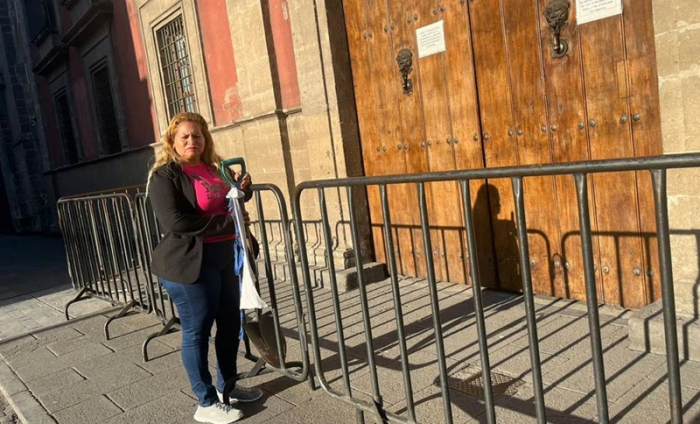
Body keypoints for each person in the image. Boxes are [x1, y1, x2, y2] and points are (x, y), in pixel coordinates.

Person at [147, 112, 262, 424]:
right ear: (172, 142)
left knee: (230, 324)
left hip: (225, 258)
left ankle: (227, 387)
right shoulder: (165, 176)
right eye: (184, 136)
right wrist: (229, 223)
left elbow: (229, 202)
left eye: (197, 135)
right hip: (189, 265)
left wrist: (242, 190)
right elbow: (176, 222)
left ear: (205, 139)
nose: (191, 141)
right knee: (197, 330)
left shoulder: (215, 168)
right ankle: (206, 402)